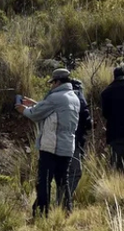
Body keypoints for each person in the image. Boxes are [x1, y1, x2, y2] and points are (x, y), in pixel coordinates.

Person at [16, 67, 80, 217]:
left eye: (52, 82)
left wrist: (22, 109)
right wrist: (36, 103)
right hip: (67, 146)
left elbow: (35, 114)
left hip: (51, 146)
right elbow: (54, 111)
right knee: (62, 180)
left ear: (57, 82)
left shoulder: (55, 97)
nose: (51, 85)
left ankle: (41, 213)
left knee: (44, 181)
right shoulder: (74, 98)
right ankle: (67, 211)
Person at [66, 75, 93, 201]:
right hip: (74, 141)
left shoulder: (62, 96)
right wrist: (90, 123)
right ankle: (64, 201)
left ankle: (54, 203)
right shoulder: (78, 96)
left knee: (61, 174)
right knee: (75, 172)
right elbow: (86, 118)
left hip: (58, 141)